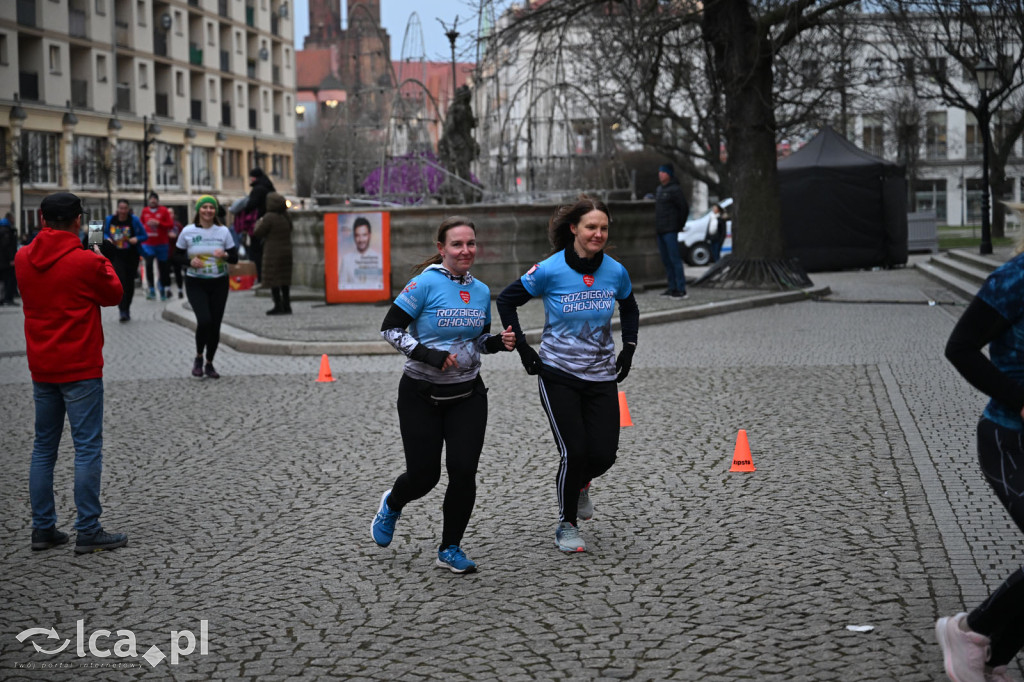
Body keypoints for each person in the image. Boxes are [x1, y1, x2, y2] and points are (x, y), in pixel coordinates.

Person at [371, 216, 515, 574]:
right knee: (424, 476)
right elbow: (390, 329)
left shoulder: (481, 291)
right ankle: (392, 502)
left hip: (468, 394)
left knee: (464, 472)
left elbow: (477, 340)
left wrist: (498, 343)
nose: (465, 250)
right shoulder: (423, 284)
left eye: (471, 243)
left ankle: (450, 548)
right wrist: (427, 354)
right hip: (421, 393)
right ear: (441, 248)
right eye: (457, 244)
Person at [496, 196, 639, 553]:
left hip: (602, 374)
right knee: (574, 451)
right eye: (591, 227)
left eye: (604, 228)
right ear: (574, 228)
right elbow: (506, 300)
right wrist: (525, 351)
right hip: (558, 373)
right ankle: (566, 524)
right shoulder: (549, 269)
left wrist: (629, 349)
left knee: (604, 454)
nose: (598, 234)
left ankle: (580, 485)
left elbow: (630, 305)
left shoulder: (615, 271)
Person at [15, 191, 129, 553]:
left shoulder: (21, 258)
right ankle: (88, 528)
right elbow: (114, 294)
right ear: (79, 220)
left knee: (44, 447)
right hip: (80, 365)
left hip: (42, 365)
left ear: (42, 220)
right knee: (86, 447)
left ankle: (43, 527)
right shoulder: (85, 262)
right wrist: (101, 259)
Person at [938, 238, 1024, 682]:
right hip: (1011, 440)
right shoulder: (1017, 278)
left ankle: (991, 659)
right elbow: (961, 347)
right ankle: (970, 631)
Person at [173, 196, 238, 379]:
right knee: (204, 321)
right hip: (196, 282)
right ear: (199, 210)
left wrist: (224, 254)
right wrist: (189, 261)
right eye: (205, 207)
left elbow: (234, 257)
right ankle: (199, 357)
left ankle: (209, 363)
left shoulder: (223, 231)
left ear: (215, 211)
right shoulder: (188, 231)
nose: (208, 210)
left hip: (219, 282)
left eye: (211, 207)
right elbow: (175, 257)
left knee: (215, 325)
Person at [103, 198, 148, 322]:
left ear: (128, 209)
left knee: (129, 284)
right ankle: (122, 310)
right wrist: (108, 239)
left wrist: (136, 239)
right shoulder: (110, 220)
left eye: (125, 208)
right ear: (117, 209)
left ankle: (127, 307)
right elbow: (103, 233)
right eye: (120, 208)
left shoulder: (134, 220)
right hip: (116, 255)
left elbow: (144, 235)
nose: (123, 211)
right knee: (121, 281)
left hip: (131, 255)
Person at [254, 192, 293, 315]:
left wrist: (259, 222)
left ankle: (278, 305)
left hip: (272, 252)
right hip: (287, 250)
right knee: (285, 279)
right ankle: (287, 305)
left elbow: (258, 232)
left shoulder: (269, 217)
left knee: (274, 279)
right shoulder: (286, 216)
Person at [654, 163, 689, 299]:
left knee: (675, 260)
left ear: (669, 174)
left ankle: (681, 288)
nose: (660, 174)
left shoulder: (675, 190)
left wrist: (678, 225)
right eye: (660, 172)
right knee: (666, 260)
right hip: (661, 230)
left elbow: (684, 208)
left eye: (663, 172)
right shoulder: (659, 189)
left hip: (670, 230)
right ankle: (671, 287)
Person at [139, 192, 175, 301]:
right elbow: (140, 225)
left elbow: (170, 225)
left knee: (163, 268)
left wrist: (158, 223)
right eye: (151, 199)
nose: (153, 200)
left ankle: (162, 289)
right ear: (149, 200)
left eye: (155, 199)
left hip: (162, 244)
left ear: (158, 201)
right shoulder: (144, 211)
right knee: (149, 265)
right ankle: (151, 289)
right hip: (148, 244)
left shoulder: (164, 210)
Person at [244, 168, 276, 283]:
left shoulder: (258, 189)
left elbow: (250, 206)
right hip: (271, 225)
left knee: (257, 253)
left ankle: (262, 278)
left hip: (259, 224)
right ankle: (269, 277)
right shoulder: (269, 187)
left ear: (254, 177)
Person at [340, 216, 384, 290]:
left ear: (369, 235)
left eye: (364, 235)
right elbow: (342, 286)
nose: (361, 240)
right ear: (354, 236)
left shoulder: (380, 259)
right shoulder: (346, 260)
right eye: (358, 235)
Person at [0, 216, 18, 305]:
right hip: (7, 262)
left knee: (2, 280)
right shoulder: (7, 232)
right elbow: (7, 247)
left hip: (2, 261)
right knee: (9, 280)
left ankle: (2, 298)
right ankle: (8, 298)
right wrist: (11, 259)